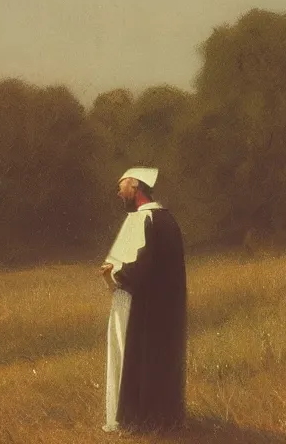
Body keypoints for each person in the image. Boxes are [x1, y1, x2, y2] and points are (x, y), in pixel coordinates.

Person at [100, 167, 187, 434]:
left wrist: (113, 275)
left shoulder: (144, 219)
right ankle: (160, 421)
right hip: (165, 311)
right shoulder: (167, 219)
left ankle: (131, 421)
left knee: (133, 358)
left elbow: (141, 266)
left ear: (135, 185)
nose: (118, 192)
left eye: (122, 185)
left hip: (141, 307)